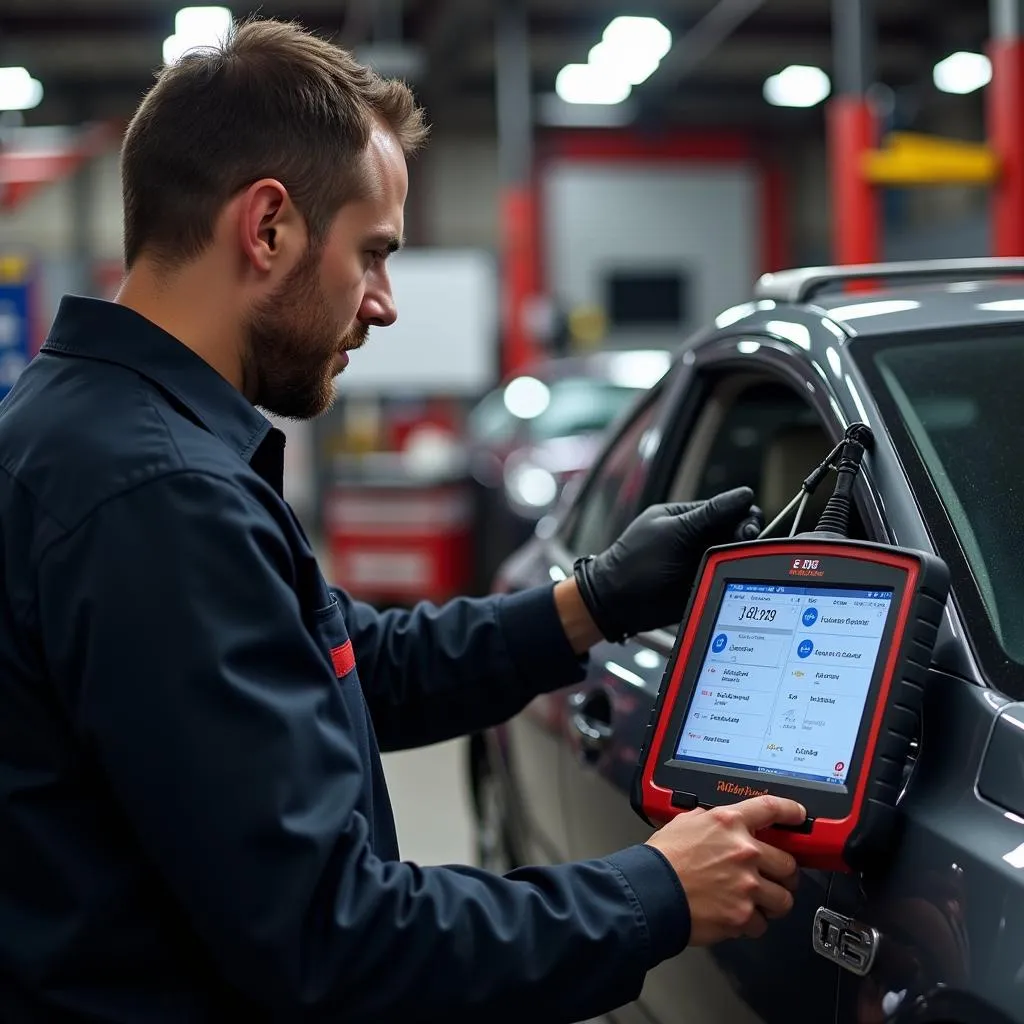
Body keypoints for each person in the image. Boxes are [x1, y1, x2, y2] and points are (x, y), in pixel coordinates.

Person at [0, 18, 807, 1023]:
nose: (382, 303)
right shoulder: (158, 498)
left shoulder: (89, 429)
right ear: (267, 228)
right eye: (373, 253)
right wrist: (652, 891)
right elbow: (332, 937)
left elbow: (340, 665)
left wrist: (591, 601)